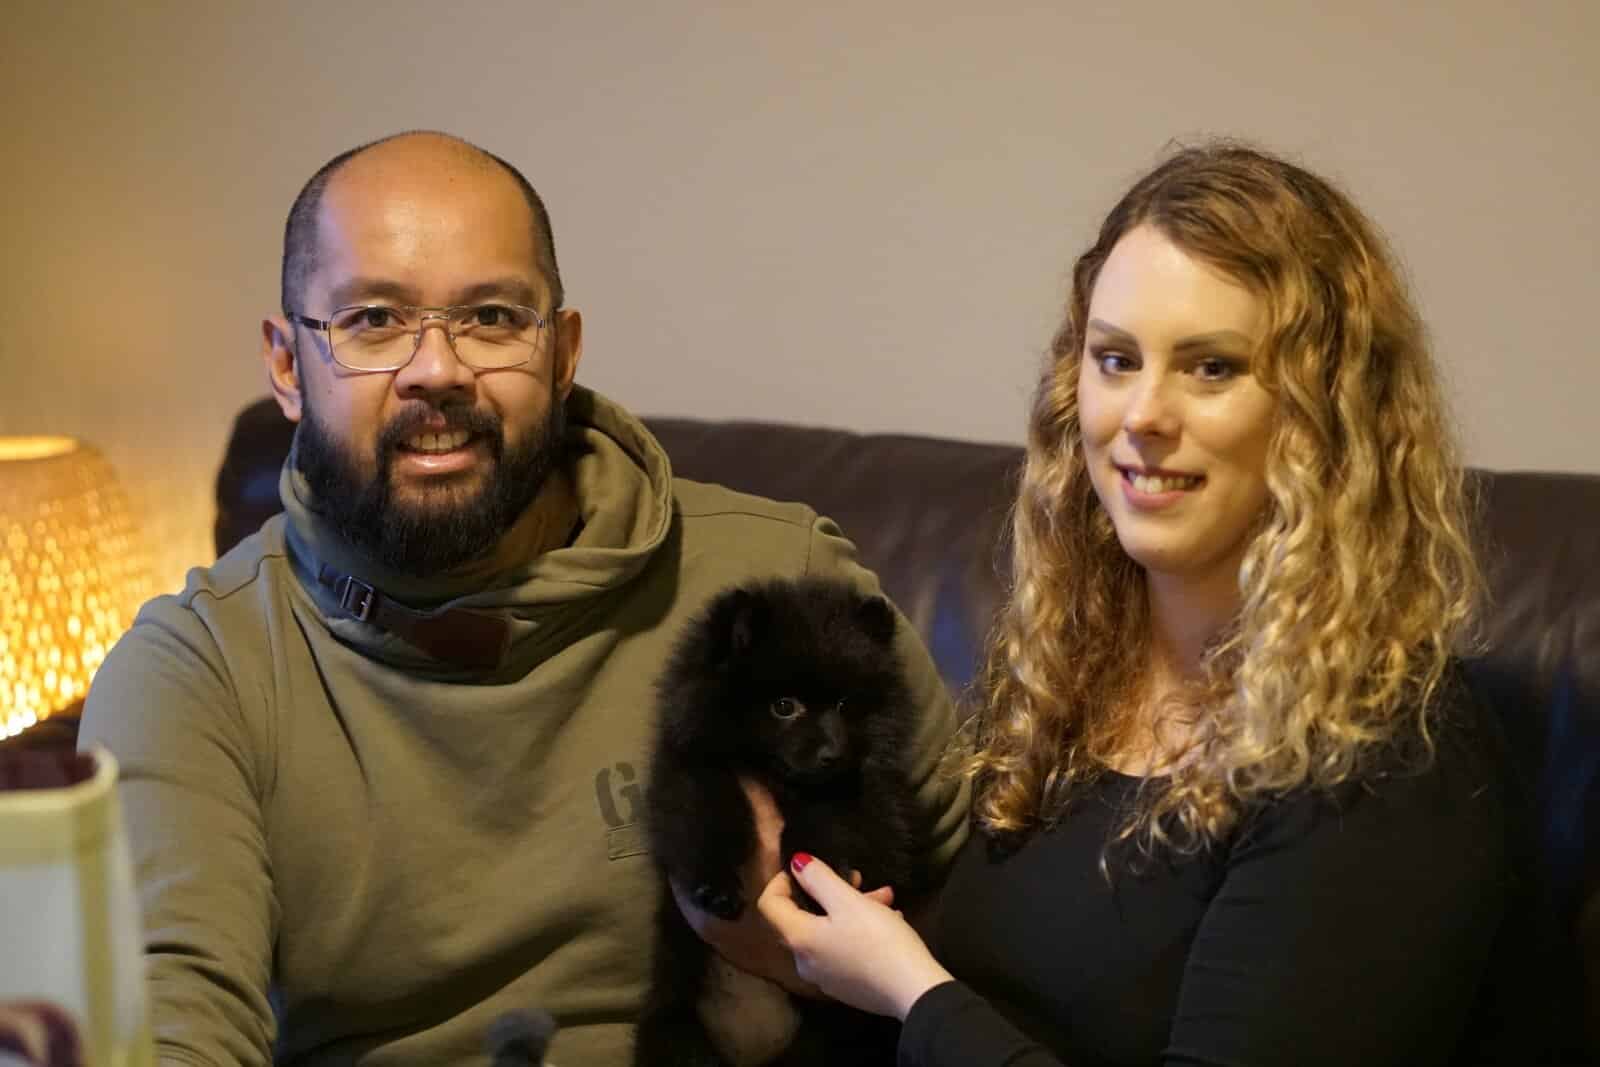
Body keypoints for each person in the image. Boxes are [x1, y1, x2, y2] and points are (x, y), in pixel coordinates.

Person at [78, 131, 969, 1066]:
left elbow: (998, 915)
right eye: (372, 318)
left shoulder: (783, 586)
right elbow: (165, 1023)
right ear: (287, 365)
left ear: (562, 352)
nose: (436, 369)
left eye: (492, 316)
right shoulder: (195, 674)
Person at [759, 142, 1515, 1065]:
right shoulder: (1056, 684)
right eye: (1116, 359)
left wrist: (910, 990)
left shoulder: (1388, 760)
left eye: (1212, 367)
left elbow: (935, 1001)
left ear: (1327, 415)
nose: (1144, 414)